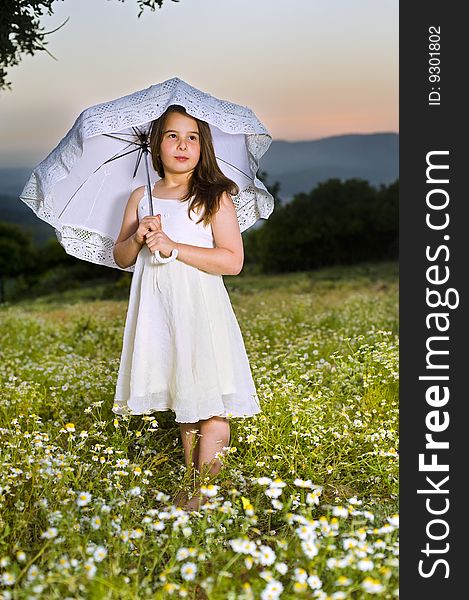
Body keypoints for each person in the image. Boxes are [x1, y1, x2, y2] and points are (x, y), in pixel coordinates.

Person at [111, 105, 261, 511]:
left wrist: (174, 247)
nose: (183, 145)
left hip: (199, 309)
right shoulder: (141, 197)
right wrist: (140, 236)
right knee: (186, 400)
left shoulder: (214, 195)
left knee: (209, 401)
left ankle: (203, 494)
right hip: (159, 312)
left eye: (192, 137)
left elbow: (232, 260)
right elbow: (121, 256)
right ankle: (192, 483)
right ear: (155, 145)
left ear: (203, 147)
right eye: (172, 136)